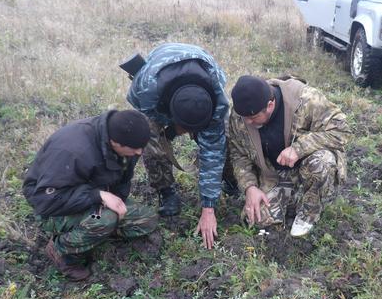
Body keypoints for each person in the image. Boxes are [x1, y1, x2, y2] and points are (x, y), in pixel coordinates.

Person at [23, 110, 159, 281]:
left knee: (146, 219)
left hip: (95, 197)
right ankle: (60, 250)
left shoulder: (128, 143)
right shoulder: (71, 150)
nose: (139, 152)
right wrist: (97, 196)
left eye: (142, 147)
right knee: (104, 219)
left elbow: (123, 180)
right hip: (54, 207)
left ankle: (96, 230)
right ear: (114, 142)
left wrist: (118, 201)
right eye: (135, 148)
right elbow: (44, 200)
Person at [125, 43, 231, 250]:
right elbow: (139, 109)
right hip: (160, 82)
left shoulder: (217, 101)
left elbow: (213, 152)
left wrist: (208, 208)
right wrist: (169, 130)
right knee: (150, 140)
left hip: (196, 73)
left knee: (222, 140)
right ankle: (166, 191)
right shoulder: (146, 88)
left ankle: (230, 179)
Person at [228, 75, 350, 236]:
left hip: (307, 167)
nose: (248, 122)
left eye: (253, 118)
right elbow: (239, 154)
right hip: (273, 175)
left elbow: (341, 130)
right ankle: (293, 199)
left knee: (321, 162)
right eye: (245, 118)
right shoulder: (241, 115)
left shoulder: (306, 100)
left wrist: (299, 149)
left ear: (270, 105)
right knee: (257, 220)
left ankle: (309, 212)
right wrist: (249, 187)